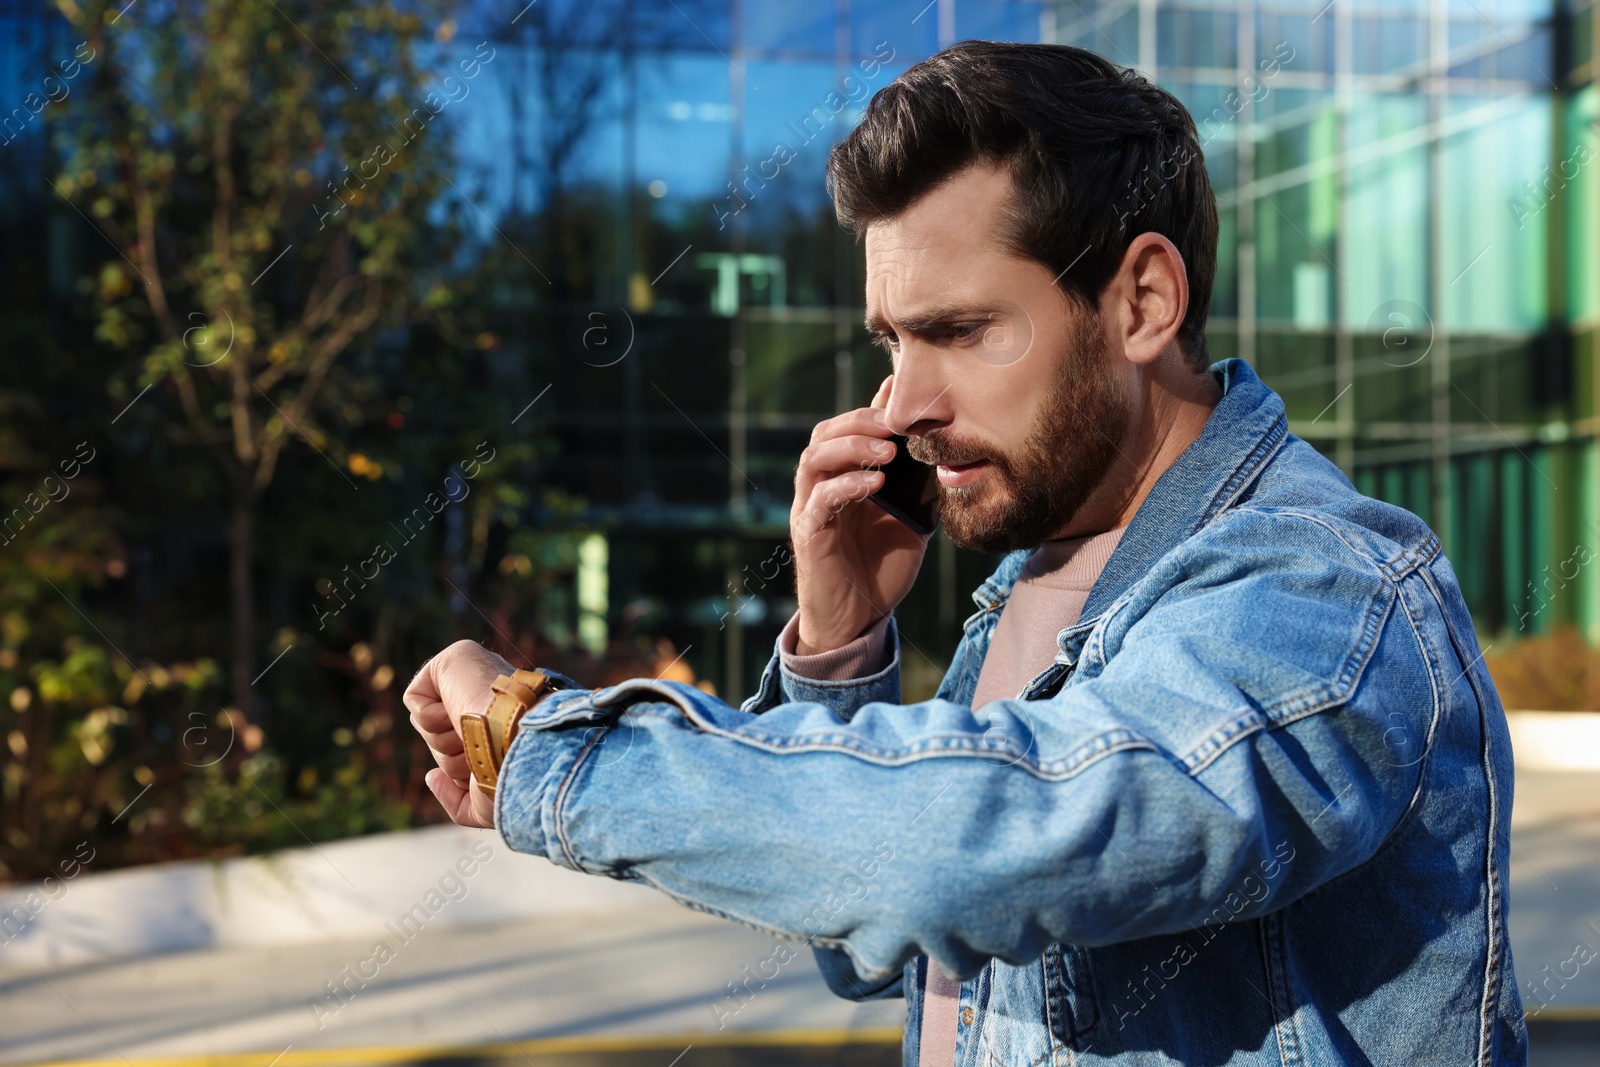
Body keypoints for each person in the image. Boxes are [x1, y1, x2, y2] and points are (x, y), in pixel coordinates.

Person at [405, 41, 1525, 1066]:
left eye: (959, 331)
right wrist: (839, 641)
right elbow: (872, 932)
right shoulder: (1032, 584)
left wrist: (537, 740)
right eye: (892, 340)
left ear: (1142, 299)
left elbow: (988, 845)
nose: (903, 403)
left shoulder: (1323, 587)